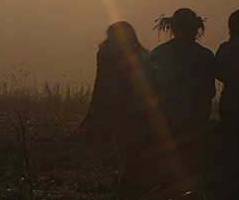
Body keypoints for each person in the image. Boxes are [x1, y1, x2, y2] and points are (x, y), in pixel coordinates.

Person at [76, 21, 157, 150]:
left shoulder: (106, 54)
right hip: (130, 108)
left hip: (122, 106)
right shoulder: (140, 55)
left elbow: (101, 85)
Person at [150, 8, 216, 137]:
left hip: (168, 121)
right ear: (196, 29)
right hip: (198, 120)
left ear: (173, 28)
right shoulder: (205, 55)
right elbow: (210, 91)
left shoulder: (159, 53)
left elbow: (153, 88)